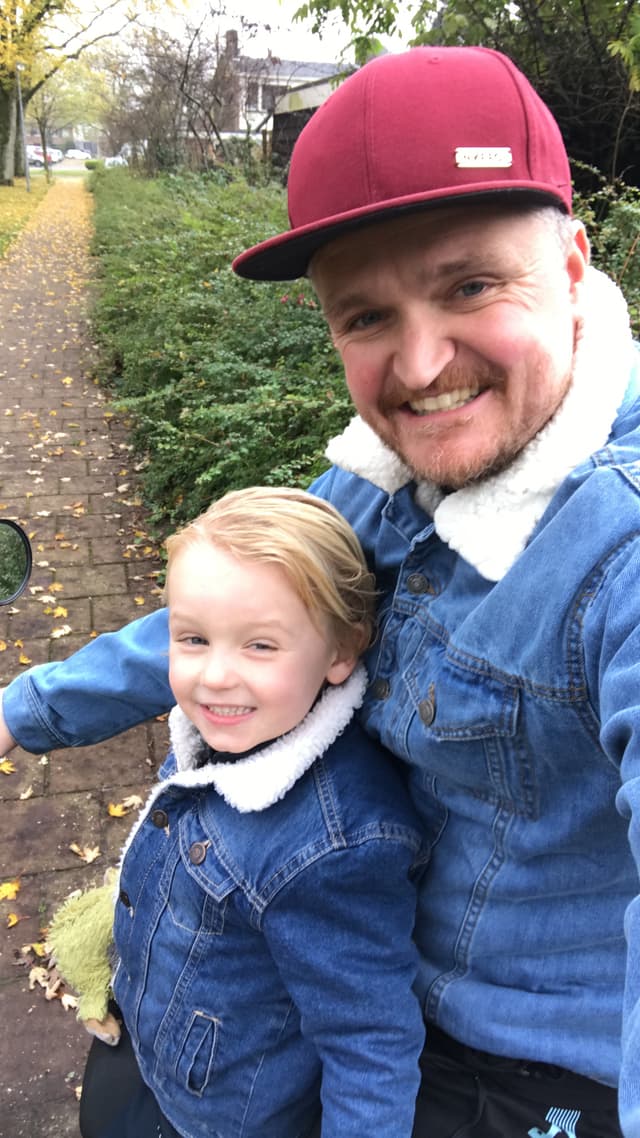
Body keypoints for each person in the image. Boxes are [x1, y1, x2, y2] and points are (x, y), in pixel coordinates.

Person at [1, 43, 639, 1138]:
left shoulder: (618, 548)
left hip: (508, 1071)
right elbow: (250, 611)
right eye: (365, 317)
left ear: (573, 265)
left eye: (470, 286)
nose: (421, 367)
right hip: (332, 941)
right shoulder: (379, 475)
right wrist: (27, 711)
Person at [78, 485, 426, 1138]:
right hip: (152, 1049)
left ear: (342, 650)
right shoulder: (233, 728)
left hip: (222, 1117)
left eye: (260, 646)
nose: (214, 676)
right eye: (193, 638)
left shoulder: (335, 848)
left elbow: (369, 1042)